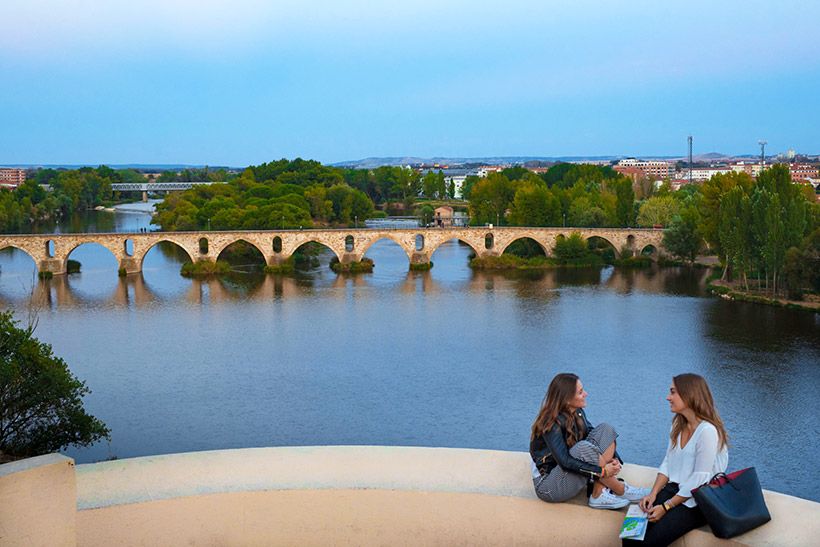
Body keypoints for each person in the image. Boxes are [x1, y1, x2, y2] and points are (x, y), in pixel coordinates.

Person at [625, 373, 729, 547]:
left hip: (697, 501)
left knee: (649, 542)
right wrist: (653, 494)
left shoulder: (707, 431)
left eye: (673, 392)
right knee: (629, 535)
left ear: (689, 395)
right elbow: (667, 463)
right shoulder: (677, 425)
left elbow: (700, 479)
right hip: (673, 491)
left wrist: (666, 507)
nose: (668, 397)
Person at [530, 373, 649, 509]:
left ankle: (598, 493)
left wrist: (613, 458)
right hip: (549, 486)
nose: (586, 394)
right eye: (580, 392)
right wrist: (602, 471)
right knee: (582, 448)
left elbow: (592, 434)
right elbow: (565, 462)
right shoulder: (550, 423)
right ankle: (621, 489)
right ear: (567, 399)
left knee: (606, 430)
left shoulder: (577, 411)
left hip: (570, 475)